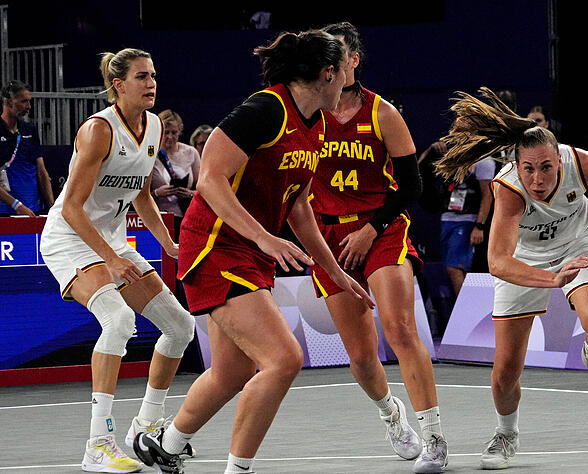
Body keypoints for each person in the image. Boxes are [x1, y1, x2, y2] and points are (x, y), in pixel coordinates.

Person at [133, 30, 373, 474]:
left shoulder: (317, 124)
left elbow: (299, 207)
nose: (347, 80)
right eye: (344, 71)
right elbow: (210, 179)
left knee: (231, 372)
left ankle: (164, 443)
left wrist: (336, 271)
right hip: (214, 245)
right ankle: (238, 469)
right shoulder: (265, 109)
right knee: (284, 359)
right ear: (327, 73)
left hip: (251, 252)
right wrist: (263, 236)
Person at [434, 87, 588, 470]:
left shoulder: (579, 163)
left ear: (559, 159)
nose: (537, 178)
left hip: (577, 244)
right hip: (523, 261)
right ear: (517, 165)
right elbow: (498, 262)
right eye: (528, 168)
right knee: (505, 373)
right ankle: (506, 434)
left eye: (546, 167)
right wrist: (552, 280)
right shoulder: (509, 190)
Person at [38, 48, 195, 473]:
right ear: (118, 85)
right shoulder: (98, 130)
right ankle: (97, 444)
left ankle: (145, 426)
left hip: (110, 240)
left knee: (180, 326)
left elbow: (142, 194)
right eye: (142, 76)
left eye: (153, 75)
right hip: (69, 240)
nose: (151, 83)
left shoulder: (154, 126)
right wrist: (110, 260)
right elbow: (72, 208)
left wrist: (168, 243)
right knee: (119, 320)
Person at [307, 22, 448, 473]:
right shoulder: (308, 115)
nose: (331, 66)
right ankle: (392, 415)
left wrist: (372, 228)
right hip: (329, 237)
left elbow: (412, 186)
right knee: (362, 356)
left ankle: (435, 438)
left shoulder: (382, 113)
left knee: (400, 328)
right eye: (324, 59)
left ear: (354, 61)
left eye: (339, 57)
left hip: (381, 228)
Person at [419, 139, 495, 300]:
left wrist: (479, 226)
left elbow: (487, 195)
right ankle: (464, 306)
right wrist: (430, 149)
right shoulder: (453, 156)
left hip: (467, 220)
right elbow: (417, 169)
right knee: (451, 266)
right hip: (447, 217)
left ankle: (465, 309)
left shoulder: (484, 161)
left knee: (455, 268)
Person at [0, 80, 54, 216]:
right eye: (24, 101)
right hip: (4, 211)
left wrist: (53, 208)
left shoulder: (30, 130)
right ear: (8, 102)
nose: (29, 106)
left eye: (29, 101)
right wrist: (16, 205)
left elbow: (41, 171)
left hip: (32, 210)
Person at [150, 109, 200, 236]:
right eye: (166, 132)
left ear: (180, 131)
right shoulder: (150, 153)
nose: (170, 137)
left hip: (188, 217)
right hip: (160, 218)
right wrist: (157, 193)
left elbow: (204, 190)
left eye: (174, 132)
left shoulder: (191, 152)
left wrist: (190, 194)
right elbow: (138, 194)